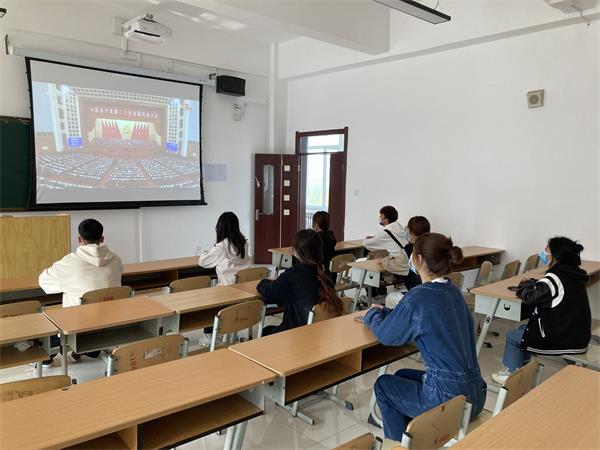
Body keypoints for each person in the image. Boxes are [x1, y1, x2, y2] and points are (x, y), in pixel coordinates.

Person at [363, 233, 486, 442]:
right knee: (401, 374)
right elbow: (421, 318)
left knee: (383, 385)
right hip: (475, 394)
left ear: (418, 259)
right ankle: (411, 434)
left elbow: (386, 335)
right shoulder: (453, 291)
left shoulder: (419, 296)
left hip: (446, 400)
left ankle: (398, 445)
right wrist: (387, 312)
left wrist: (372, 314)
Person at [491, 237, 590, 385]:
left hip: (562, 338)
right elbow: (549, 289)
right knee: (523, 329)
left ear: (555, 255)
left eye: (547, 249)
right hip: (578, 335)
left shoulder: (554, 277)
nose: (544, 251)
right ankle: (524, 369)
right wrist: (535, 283)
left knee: (513, 336)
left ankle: (511, 374)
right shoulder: (574, 274)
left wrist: (524, 286)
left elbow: (530, 297)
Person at [39, 218, 123, 364]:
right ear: (102, 238)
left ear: (79, 239)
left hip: (78, 328)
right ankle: (88, 351)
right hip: (110, 324)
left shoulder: (70, 262)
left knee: (54, 318)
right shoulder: (116, 260)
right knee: (95, 309)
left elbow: (43, 282)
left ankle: (46, 358)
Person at [257, 229, 343, 336]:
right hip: (321, 332)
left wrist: (263, 282)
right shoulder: (325, 270)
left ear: (296, 251)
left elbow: (270, 294)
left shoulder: (294, 274)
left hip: (297, 333)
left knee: (265, 331)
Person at [384, 216, 431, 308]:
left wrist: (384, 260)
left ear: (412, 233)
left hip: (417, 292)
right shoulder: (433, 246)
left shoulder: (410, 249)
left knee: (390, 298)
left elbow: (393, 265)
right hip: (431, 291)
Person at [198, 212, 251, 285]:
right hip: (245, 286)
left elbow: (202, 262)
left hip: (227, 288)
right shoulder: (244, 244)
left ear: (220, 228)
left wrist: (204, 253)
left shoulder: (221, 248)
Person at [312, 210, 337, 284]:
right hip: (332, 275)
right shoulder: (331, 236)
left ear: (316, 224)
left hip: (321, 277)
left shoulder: (316, 237)